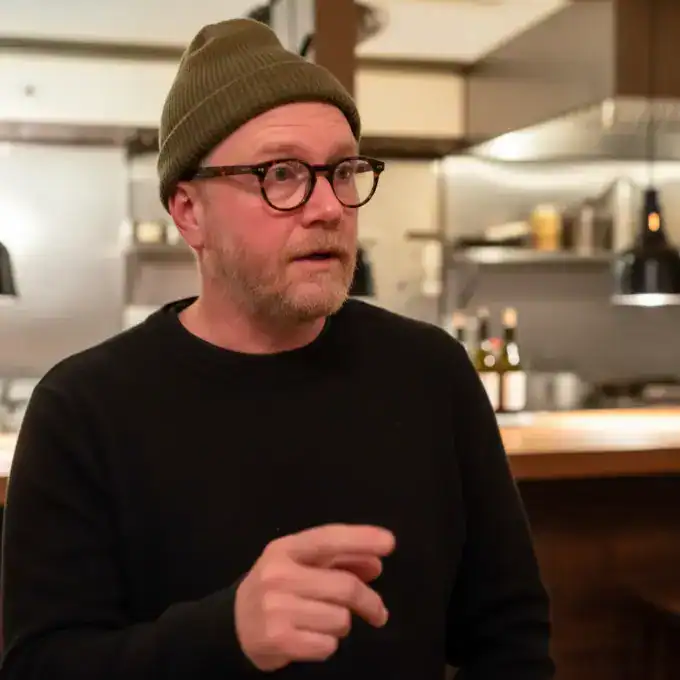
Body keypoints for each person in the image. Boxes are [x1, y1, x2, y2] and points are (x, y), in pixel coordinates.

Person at [0, 18, 554, 680]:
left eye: (342, 170)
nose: (329, 207)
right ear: (189, 212)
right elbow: (41, 664)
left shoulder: (430, 373)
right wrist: (226, 634)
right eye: (281, 173)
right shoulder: (82, 410)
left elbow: (510, 637)